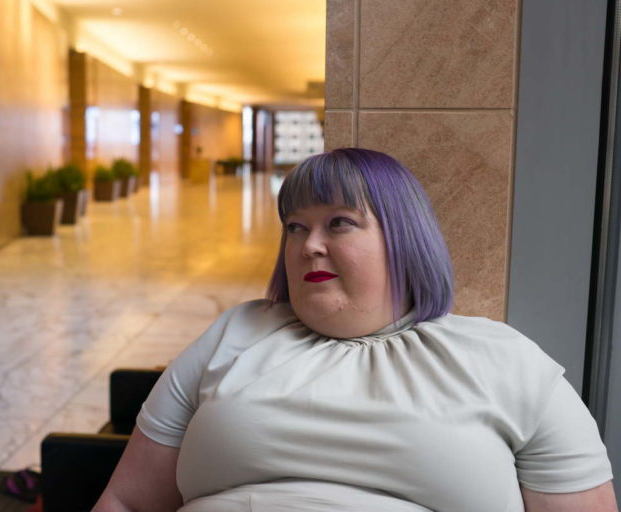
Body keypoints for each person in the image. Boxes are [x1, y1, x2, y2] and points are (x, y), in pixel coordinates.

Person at [92, 148, 616, 512]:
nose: (308, 245)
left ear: (404, 238)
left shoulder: (508, 362)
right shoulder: (237, 333)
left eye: (338, 222)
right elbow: (129, 502)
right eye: (295, 226)